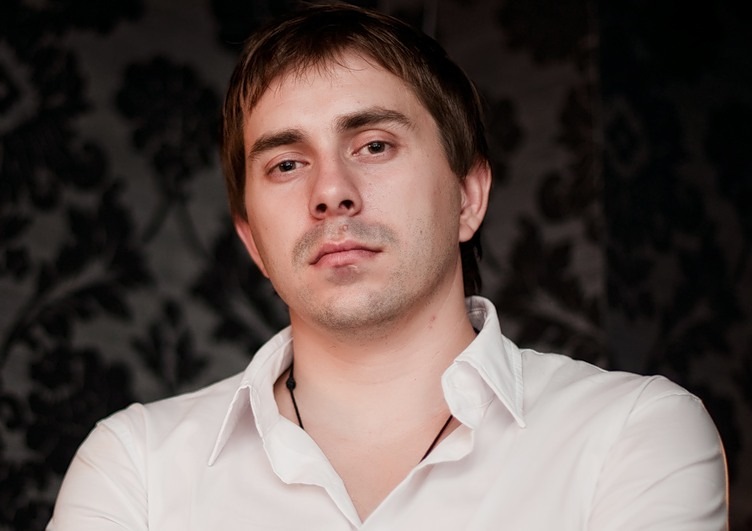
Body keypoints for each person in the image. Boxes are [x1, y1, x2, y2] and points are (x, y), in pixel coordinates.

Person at [47, 3, 728, 529]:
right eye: (286, 163)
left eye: (373, 145)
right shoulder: (135, 467)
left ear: (467, 198)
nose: (330, 191)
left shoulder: (634, 434)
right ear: (252, 241)